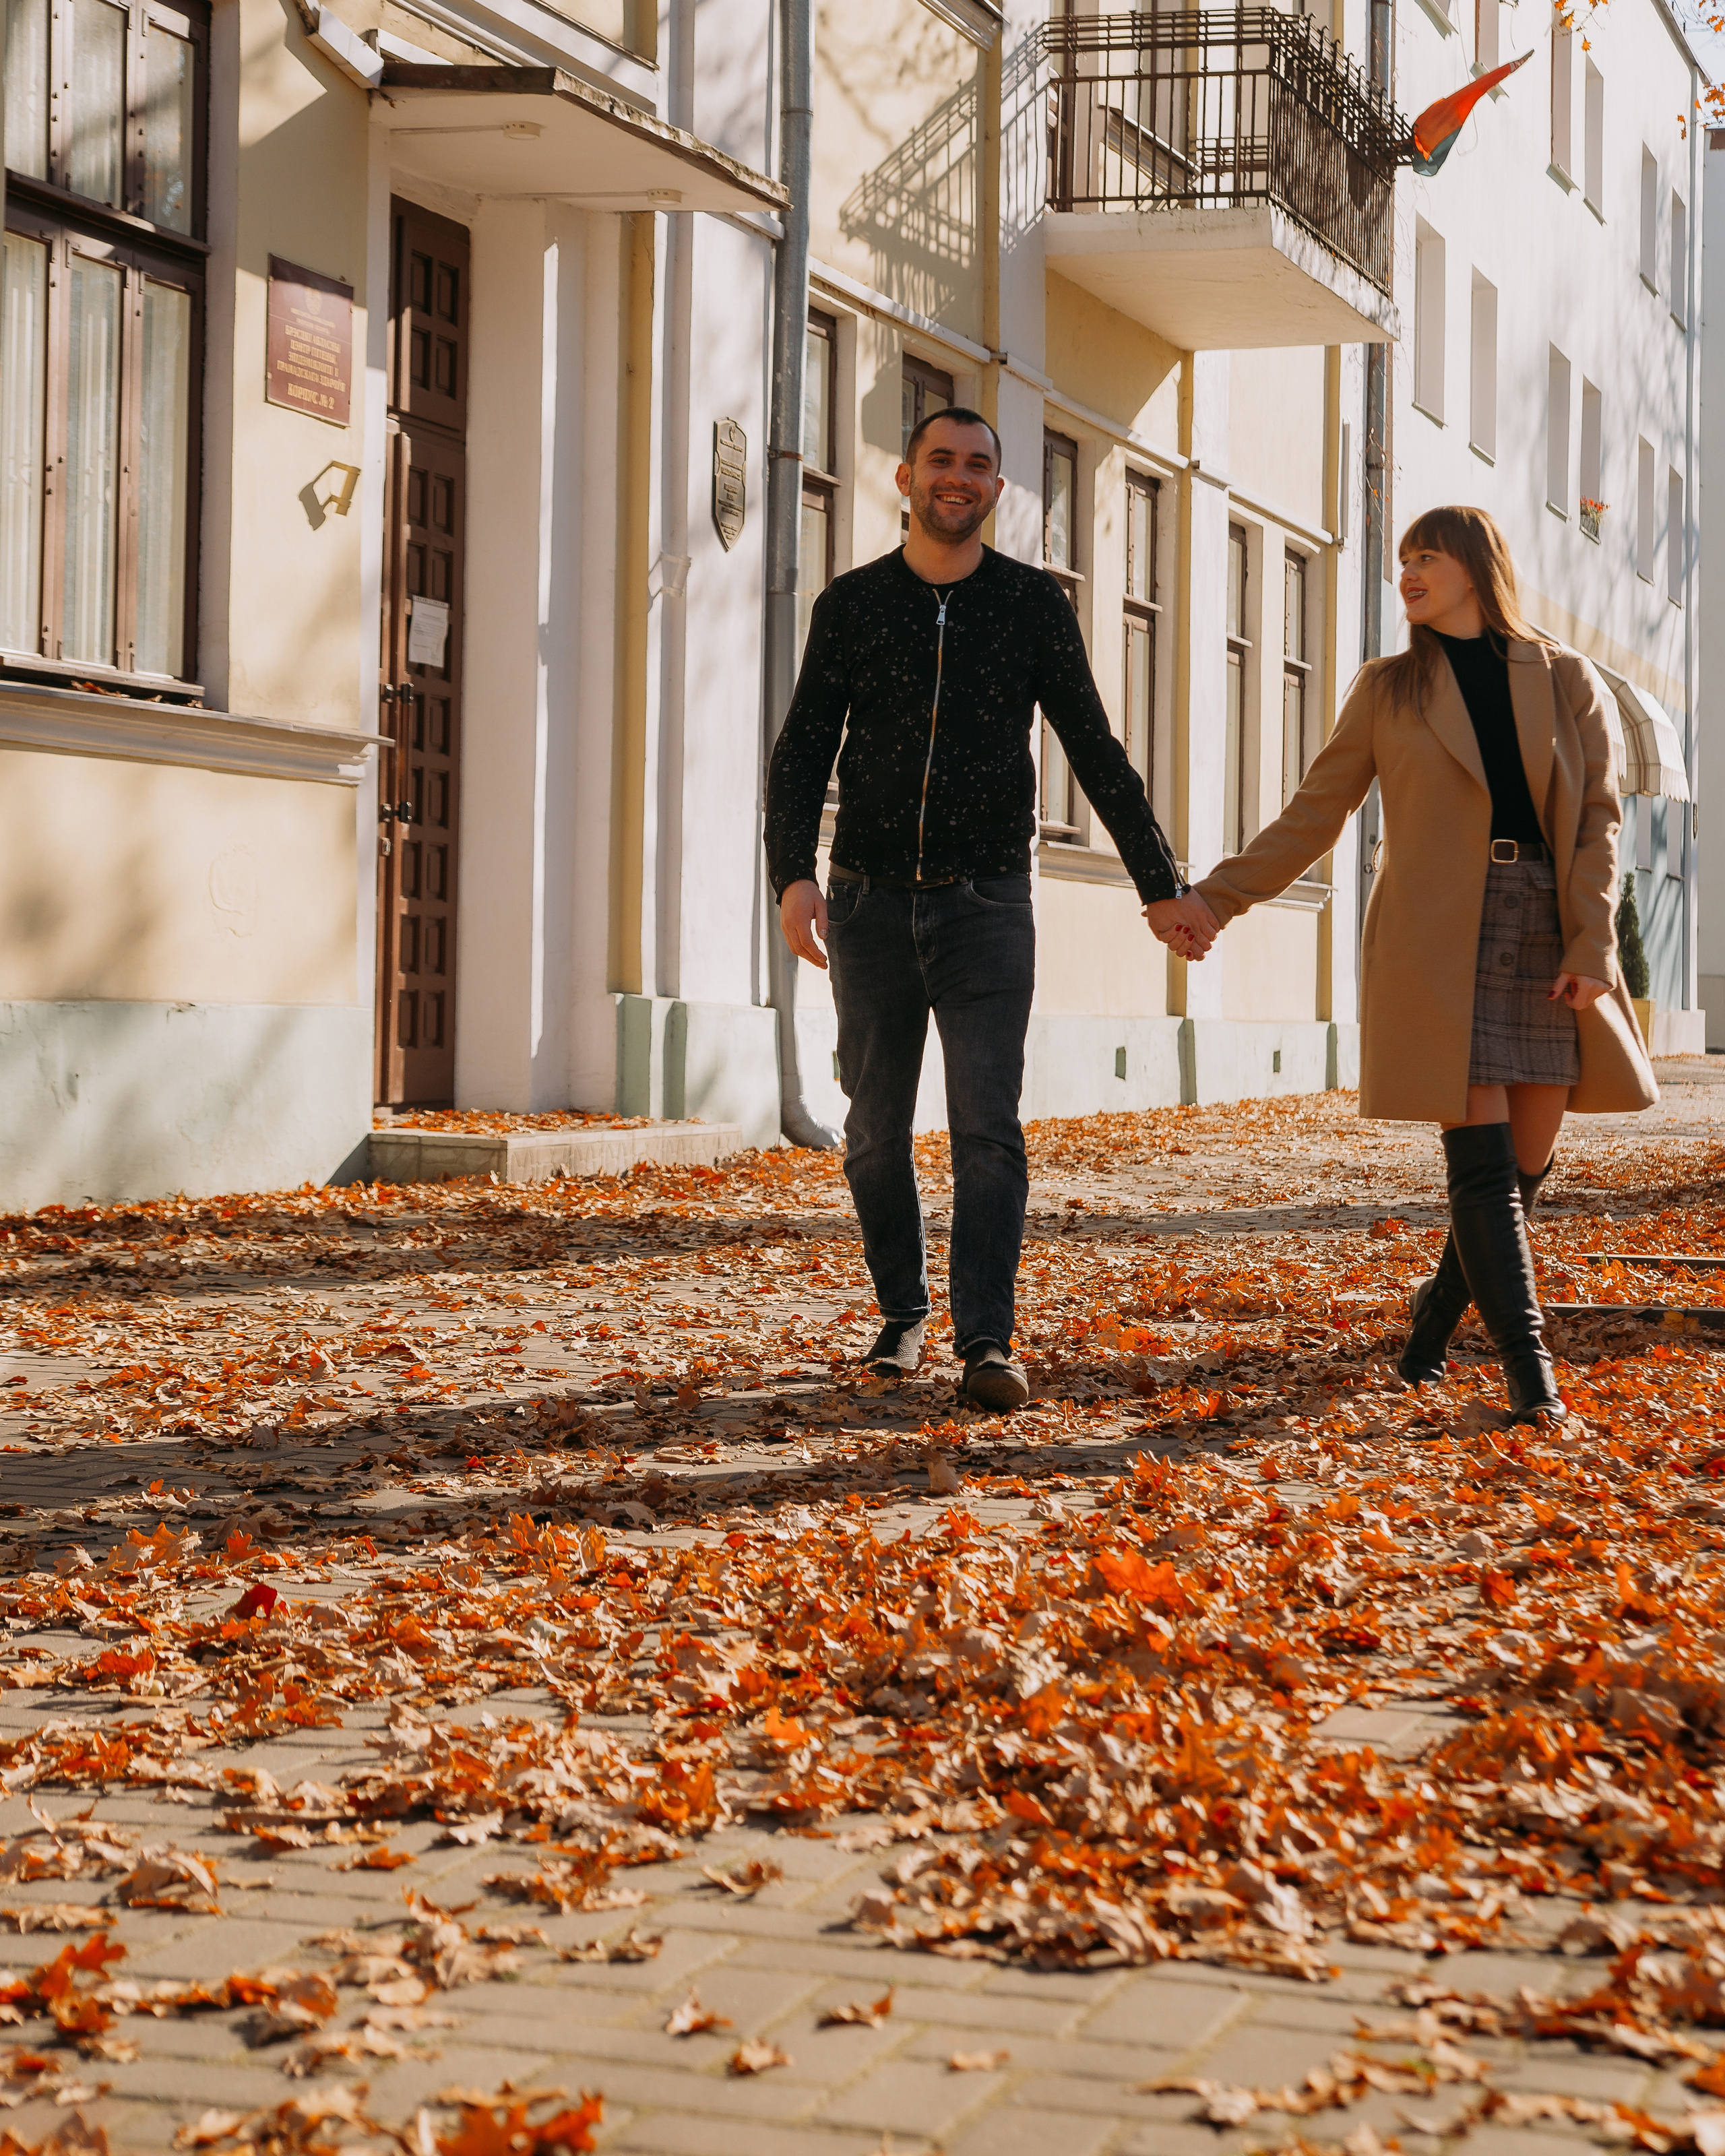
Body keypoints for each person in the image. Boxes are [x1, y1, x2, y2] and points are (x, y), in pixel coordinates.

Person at [1150, 505, 1656, 1426]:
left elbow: (1597, 825)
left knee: (1528, 1163)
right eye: (1402, 560)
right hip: (1436, 937)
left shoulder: (1567, 678)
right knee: (1482, 1162)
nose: (1409, 575)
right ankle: (1528, 1373)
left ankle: (1432, 1316)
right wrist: (1218, 897)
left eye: (1425, 558)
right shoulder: (1388, 688)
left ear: (1475, 565)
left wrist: (1592, 942)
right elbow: (1316, 813)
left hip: (1547, 932)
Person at [765, 408, 1205, 1411]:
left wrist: (1160, 886)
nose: (957, 479)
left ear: (997, 489)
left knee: (987, 1129)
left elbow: (1094, 747)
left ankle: (987, 1340)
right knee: (873, 1130)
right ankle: (902, 1311)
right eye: (941, 462)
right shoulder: (853, 606)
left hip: (988, 905)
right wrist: (792, 873)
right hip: (867, 904)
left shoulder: (1031, 607)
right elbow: (800, 754)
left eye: (977, 466)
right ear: (906, 478)